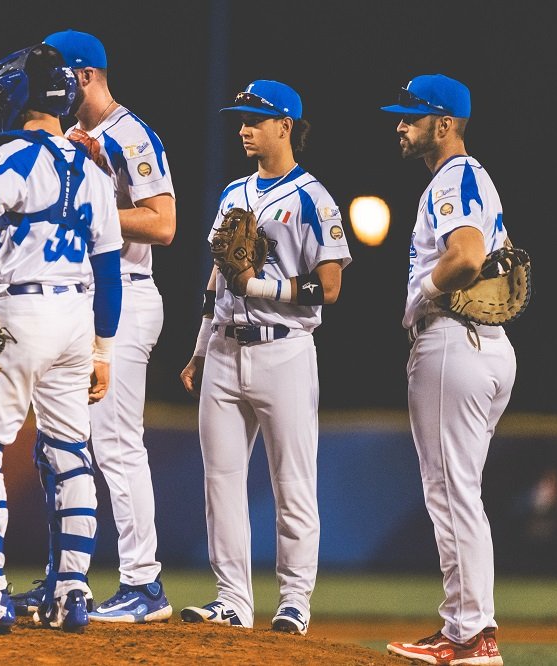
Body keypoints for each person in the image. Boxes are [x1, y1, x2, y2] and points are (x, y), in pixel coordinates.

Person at [0, 42, 123, 634]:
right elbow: (109, 273)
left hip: (20, 315)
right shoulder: (93, 168)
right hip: (77, 319)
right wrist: (103, 352)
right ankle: (72, 595)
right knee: (67, 453)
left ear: (15, 96)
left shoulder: (15, 156)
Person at [9, 28, 177, 625]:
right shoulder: (68, 139)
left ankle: (144, 583)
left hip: (125, 298)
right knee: (64, 445)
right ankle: (65, 579)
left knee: (115, 444)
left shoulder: (128, 134)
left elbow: (163, 224)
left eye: (54, 76)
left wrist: (98, 202)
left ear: (80, 77)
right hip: (82, 302)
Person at [178, 80, 351, 636]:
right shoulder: (234, 193)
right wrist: (199, 348)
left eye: (255, 117)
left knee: (292, 482)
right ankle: (232, 599)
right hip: (225, 348)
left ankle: (295, 601)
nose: (244, 127)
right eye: (241, 117)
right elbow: (216, 278)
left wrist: (258, 287)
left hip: (285, 351)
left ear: (285, 124)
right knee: (221, 480)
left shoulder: (313, 198)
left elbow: (328, 287)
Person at [380, 74, 512, 666]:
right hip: (487, 347)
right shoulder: (471, 178)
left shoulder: (455, 178)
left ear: (445, 123)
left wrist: (421, 294)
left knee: (452, 493)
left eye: (412, 116)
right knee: (461, 494)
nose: (401, 125)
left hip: (454, 344)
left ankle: (471, 635)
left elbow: (466, 255)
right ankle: (467, 628)